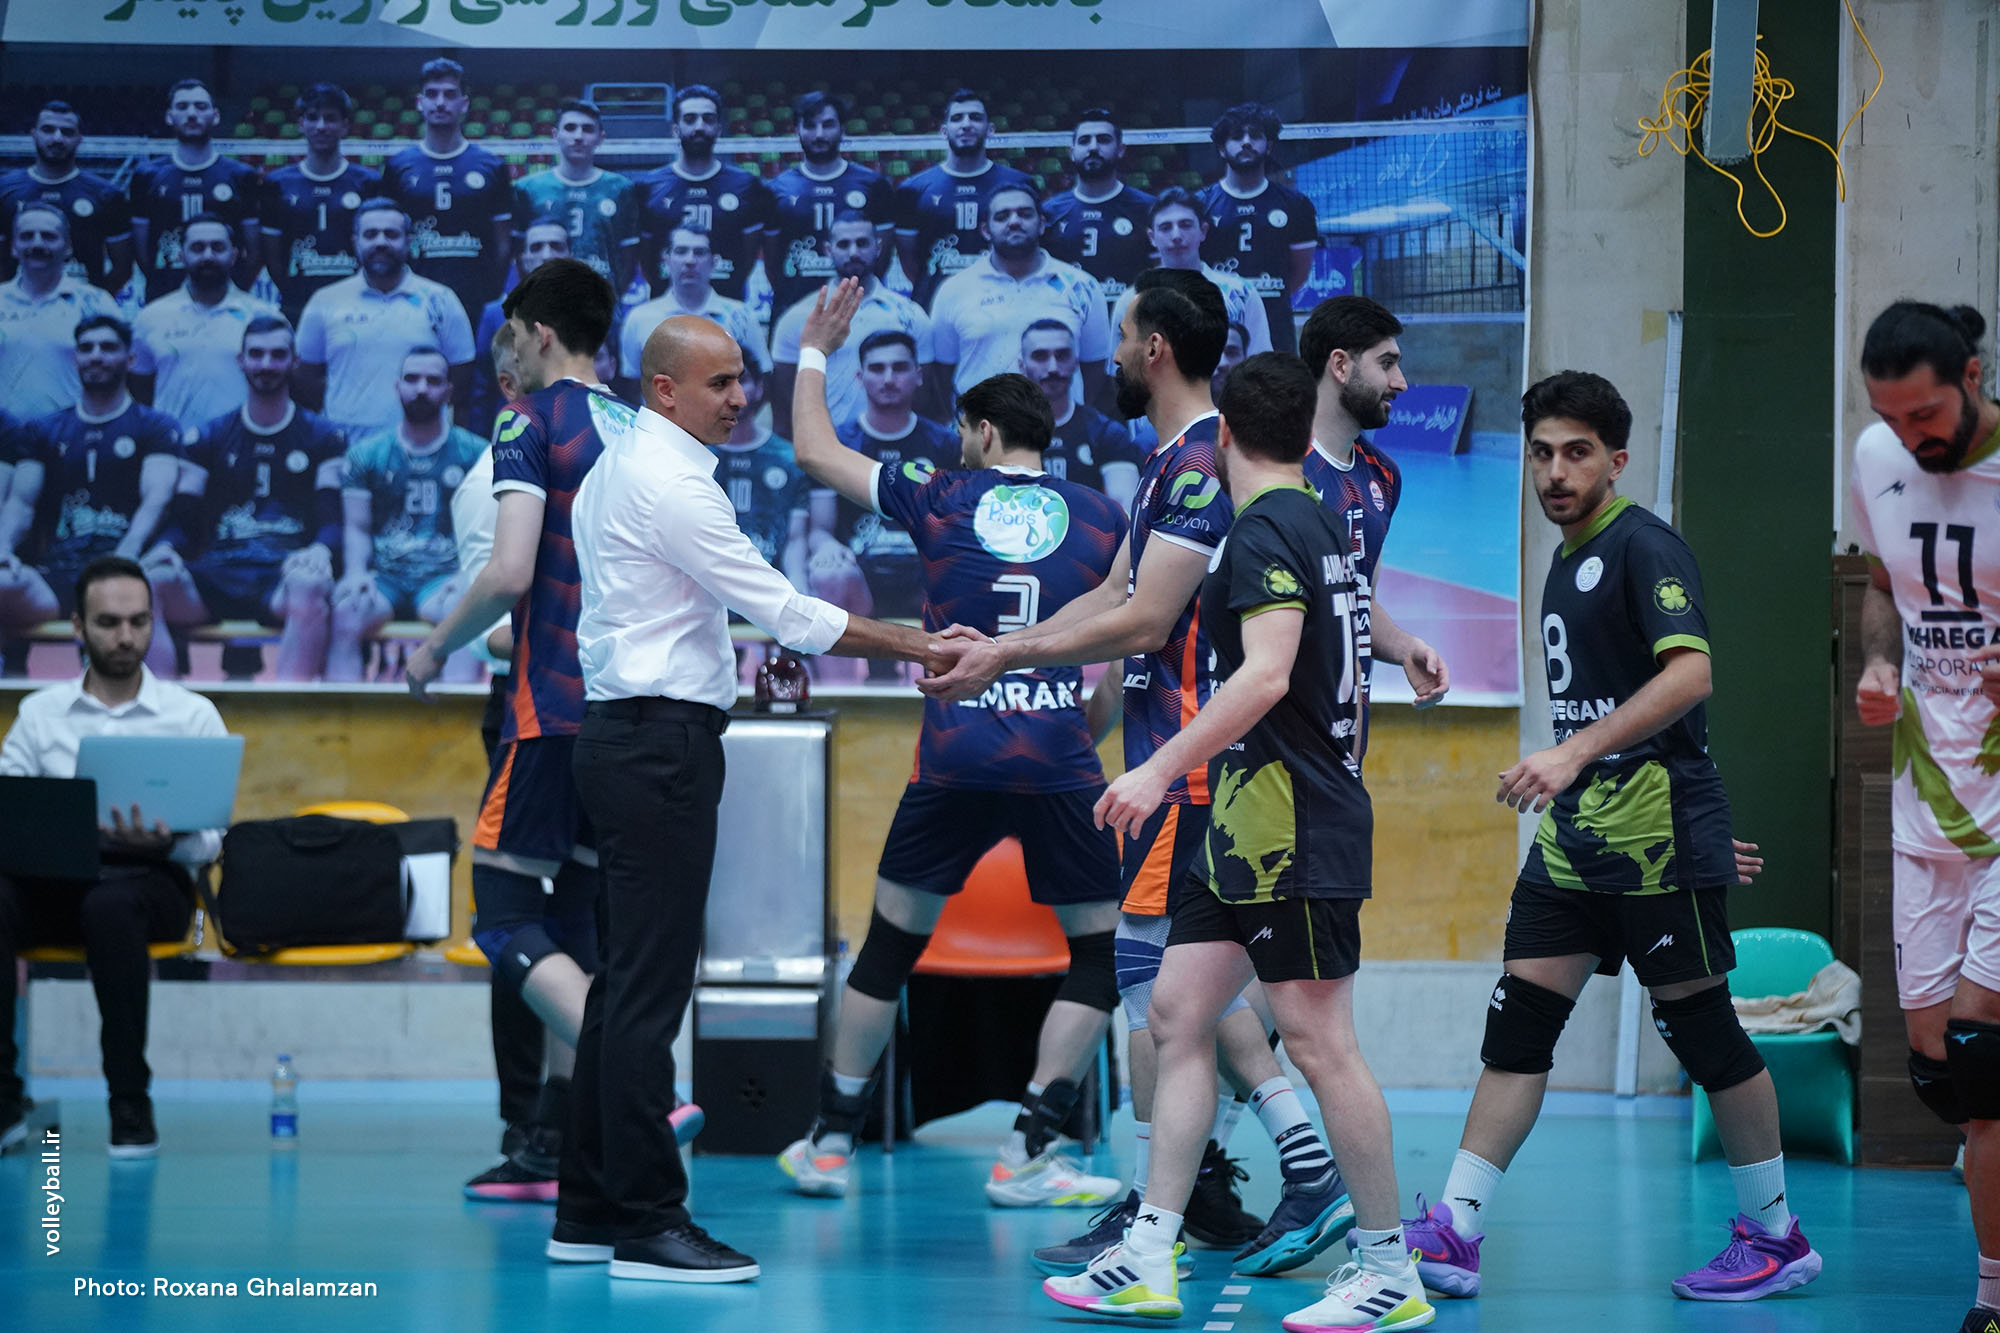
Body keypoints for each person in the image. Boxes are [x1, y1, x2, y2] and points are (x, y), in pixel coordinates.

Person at [925, 270, 1348, 1278]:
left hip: (1194, 769)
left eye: (1118, 334)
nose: (1106, 351)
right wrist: (1000, 649)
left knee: (1157, 987)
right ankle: (1225, 1182)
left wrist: (1007, 654)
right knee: (1180, 989)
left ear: (1153, 347)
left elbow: (1147, 619)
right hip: (1172, 762)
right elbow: (1115, 590)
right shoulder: (1169, 460)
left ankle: (1203, 1194)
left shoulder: (1202, 462)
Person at [1401, 369, 1816, 1304]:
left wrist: (1571, 755)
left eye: (1577, 453)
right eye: (1541, 453)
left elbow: (1690, 675)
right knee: (1518, 1023)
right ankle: (1457, 1227)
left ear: (1617, 460)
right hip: (1576, 844)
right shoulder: (1565, 555)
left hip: (1656, 840)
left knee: (1705, 1034)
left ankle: (1776, 1234)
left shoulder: (1644, 545)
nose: (1556, 471)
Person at [551, 310, 950, 1282]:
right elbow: (786, 612)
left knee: (621, 987)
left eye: (741, 378)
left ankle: (589, 1209)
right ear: (663, 390)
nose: (740, 398)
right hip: (657, 748)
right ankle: (648, 1222)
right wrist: (919, 642)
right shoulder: (670, 484)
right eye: (720, 383)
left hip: (627, 740)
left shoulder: (620, 464)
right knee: (647, 997)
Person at [1042, 352, 1432, 1330]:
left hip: (1290, 824)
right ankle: (1148, 1252)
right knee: (1179, 1012)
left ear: (1221, 437)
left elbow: (1263, 675)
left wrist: (1155, 768)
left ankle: (1389, 1269)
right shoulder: (1321, 520)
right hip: (1246, 821)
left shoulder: (1264, 529)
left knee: (1320, 1042)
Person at [776, 282, 1128, 1207]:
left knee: (890, 946)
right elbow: (1131, 651)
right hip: (1058, 762)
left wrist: (815, 349)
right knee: (1101, 955)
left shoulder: (940, 495)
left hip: (955, 761)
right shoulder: (1101, 517)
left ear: (981, 430)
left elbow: (814, 449)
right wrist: (1076, 729)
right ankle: (1027, 1152)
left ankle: (828, 1143)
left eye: (965, 431)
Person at [1852, 300, 2000, 1333]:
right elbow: (1880, 581)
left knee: (1984, 1064)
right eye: (1890, 418)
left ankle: (1989, 1299)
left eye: (1927, 414)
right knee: (1935, 1062)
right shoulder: (1878, 458)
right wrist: (1877, 661)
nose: (1911, 436)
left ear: (1972, 377)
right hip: (1925, 805)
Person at [0, 555, 227, 1157]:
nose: (126, 636)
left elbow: (214, 838)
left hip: (151, 885)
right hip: (54, 886)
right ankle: (2, 1100)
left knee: (111, 906)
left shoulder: (191, 715)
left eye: (138, 621)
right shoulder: (39, 716)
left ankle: (130, 1102)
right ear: (78, 627)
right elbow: (7, 814)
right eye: (108, 623)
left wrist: (168, 842)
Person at [147, 315, 345, 683]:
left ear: (294, 361)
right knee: (146, 582)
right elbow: (183, 520)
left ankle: (290, 711)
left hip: (283, 575)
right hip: (218, 573)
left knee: (311, 584)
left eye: (277, 355)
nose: (266, 364)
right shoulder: (208, 436)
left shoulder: (324, 437)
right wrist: (165, 547)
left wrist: (320, 549)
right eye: (256, 354)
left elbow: (332, 519)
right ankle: (167, 708)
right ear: (241, 361)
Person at [1297, 296, 1449, 755]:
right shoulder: (1274, 466)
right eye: (1387, 364)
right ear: (1340, 366)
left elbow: (1359, 603)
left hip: (1342, 755)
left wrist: (1403, 647)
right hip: (1272, 751)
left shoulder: (1382, 475)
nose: (1400, 382)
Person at [0, 315, 182, 679]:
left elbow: (157, 499)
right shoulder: (42, 430)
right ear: (75, 359)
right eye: (87, 348)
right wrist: (3, 549)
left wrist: (126, 554)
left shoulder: (156, 426)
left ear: (130, 359)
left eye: (108, 347)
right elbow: (21, 503)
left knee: (143, 590)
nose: (96, 355)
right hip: (58, 576)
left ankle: (165, 708)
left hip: (126, 570)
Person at [326, 346, 485, 682]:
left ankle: (456, 714)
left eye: (433, 380)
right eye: (412, 379)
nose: (421, 388)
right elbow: (356, 528)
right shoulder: (366, 454)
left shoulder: (476, 454)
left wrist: (467, 576)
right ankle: (343, 715)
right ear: (397, 386)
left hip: (443, 578)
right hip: (385, 578)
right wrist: (355, 572)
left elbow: (486, 530)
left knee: (466, 613)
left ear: (448, 391)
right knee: (347, 609)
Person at [803, 329, 959, 628]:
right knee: (828, 572)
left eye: (899, 368)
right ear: (860, 377)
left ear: (918, 375)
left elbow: (958, 523)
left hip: (925, 574)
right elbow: (819, 530)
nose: (888, 378)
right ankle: (848, 661)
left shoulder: (946, 445)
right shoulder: (837, 445)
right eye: (877, 368)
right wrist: (827, 546)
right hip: (860, 570)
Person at [295, 199, 475, 436]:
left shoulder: (441, 300)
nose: (381, 242)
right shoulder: (325, 301)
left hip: (420, 441)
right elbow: (306, 377)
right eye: (370, 235)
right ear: (355, 242)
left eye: (391, 234)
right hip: (346, 441)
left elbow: (460, 377)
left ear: (408, 242)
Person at [929, 184, 1111, 406]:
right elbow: (941, 371)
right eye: (1002, 216)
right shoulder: (955, 289)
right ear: (986, 230)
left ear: (1041, 224)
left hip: (1056, 422)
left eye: (1025, 214)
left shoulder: (1081, 286)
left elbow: (1094, 367)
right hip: (982, 421)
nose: (1014, 222)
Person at [769, 210, 931, 437]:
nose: (853, 252)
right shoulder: (798, 318)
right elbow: (785, 398)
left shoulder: (911, 316)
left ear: (878, 247)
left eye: (862, 243)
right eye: (844, 244)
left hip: (894, 443)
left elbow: (924, 396)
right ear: (828, 250)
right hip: (825, 444)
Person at [386, 58, 513, 321]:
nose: (440, 102)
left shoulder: (491, 166)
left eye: (449, 94)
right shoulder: (398, 166)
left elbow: (503, 244)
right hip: (413, 300)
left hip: (475, 298)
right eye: (432, 94)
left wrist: (489, 289)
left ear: (464, 103)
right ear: (419, 102)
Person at [131, 215, 277, 428]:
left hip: (242, 440)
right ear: (181, 256)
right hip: (174, 440)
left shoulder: (263, 316)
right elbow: (139, 389)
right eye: (197, 248)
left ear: (234, 255)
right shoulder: (151, 317)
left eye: (218, 248)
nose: (208, 256)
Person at [896, 89, 1036, 307]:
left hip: (1003, 303)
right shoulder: (914, 189)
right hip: (934, 303)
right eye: (957, 118)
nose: (966, 124)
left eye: (976, 118)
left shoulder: (1020, 184)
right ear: (944, 131)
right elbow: (909, 262)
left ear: (990, 129)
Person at [1196, 104, 1317, 355]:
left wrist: (1264, 295)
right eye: (1237, 136)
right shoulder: (1200, 204)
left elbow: (1299, 272)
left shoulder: (1296, 205)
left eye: (1255, 135)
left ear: (1268, 146)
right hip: (1214, 323)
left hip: (1275, 326)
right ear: (1222, 149)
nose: (1246, 142)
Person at [128, 79, 262, 304]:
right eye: (182, 107)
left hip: (226, 300)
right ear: (169, 116)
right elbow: (142, 251)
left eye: (200, 107)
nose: (191, 114)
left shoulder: (241, 176)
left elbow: (254, 252)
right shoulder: (146, 175)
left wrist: (235, 285)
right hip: (164, 297)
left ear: (216, 116)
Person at [765, 92, 897, 319]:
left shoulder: (874, 185)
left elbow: (881, 257)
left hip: (858, 310)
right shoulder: (777, 188)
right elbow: (772, 262)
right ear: (797, 130)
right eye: (810, 126)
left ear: (842, 129)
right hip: (796, 308)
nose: (819, 134)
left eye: (828, 125)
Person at [636, 84, 770, 304]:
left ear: (719, 128)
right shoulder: (648, 186)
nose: (699, 126)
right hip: (667, 308)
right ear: (675, 129)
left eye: (708, 119)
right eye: (690, 119)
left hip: (727, 305)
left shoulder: (746, 185)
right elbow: (647, 260)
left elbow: (748, 255)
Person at [261, 83, 383, 324]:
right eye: (312, 118)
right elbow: (272, 256)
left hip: (357, 305)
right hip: (298, 306)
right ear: (300, 124)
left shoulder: (368, 182)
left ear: (345, 125)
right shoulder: (277, 183)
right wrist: (292, 291)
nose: (321, 126)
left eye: (330, 118)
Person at [615, 225, 767, 404]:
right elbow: (631, 385)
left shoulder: (741, 315)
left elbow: (761, 378)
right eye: (681, 251)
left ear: (714, 262)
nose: (690, 260)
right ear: (667, 259)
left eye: (700, 252)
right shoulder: (639, 318)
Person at [0, 204, 121, 418]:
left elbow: (119, 375)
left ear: (68, 247)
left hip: (73, 431)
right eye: (27, 236)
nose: (37, 243)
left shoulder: (96, 303)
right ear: (13, 247)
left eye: (48, 236)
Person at [0, 100, 133, 295]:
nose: (57, 138)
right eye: (48, 130)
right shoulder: (4, 190)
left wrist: (91, 299)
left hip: (81, 307)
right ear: (33, 134)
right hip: (17, 306)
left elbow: (122, 268)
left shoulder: (106, 194)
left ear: (79, 138)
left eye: (67, 132)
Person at [1123, 188, 1272, 358]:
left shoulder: (1241, 293)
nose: (1176, 235)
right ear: (1152, 237)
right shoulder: (1131, 301)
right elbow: (1122, 369)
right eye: (1165, 227)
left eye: (1185, 225)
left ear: (1203, 231)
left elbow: (1260, 363)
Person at [511, 101, 639, 295]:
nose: (578, 136)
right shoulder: (528, 188)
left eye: (587, 129)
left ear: (600, 138)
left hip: (600, 296)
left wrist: (614, 294)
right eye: (570, 128)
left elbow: (629, 255)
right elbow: (520, 254)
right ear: (555, 135)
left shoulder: (621, 188)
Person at [1019, 318, 1142, 511]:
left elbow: (1124, 508)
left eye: (1062, 355)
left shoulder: (1106, 434)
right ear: (1022, 365)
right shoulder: (1002, 433)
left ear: (1075, 362)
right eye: (1040, 356)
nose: (1052, 367)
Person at [710, 349, 810, 585]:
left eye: (741, 381)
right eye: (721, 383)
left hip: (772, 583)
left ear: (759, 388)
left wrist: (798, 589)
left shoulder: (788, 458)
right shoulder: (693, 455)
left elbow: (796, 540)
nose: (732, 393)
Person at [1040, 110, 1157, 308]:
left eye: (1103, 140)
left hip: (1132, 317)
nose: (1093, 147)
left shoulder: (1149, 208)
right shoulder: (1049, 212)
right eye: (1084, 141)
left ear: (1120, 149)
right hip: (1068, 316)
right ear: (1072, 152)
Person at [470, 217, 571, 438]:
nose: (547, 254)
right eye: (536, 247)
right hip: (513, 435)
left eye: (556, 246)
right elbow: (481, 390)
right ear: (523, 258)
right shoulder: (495, 315)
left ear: (569, 255)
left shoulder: (592, 312)